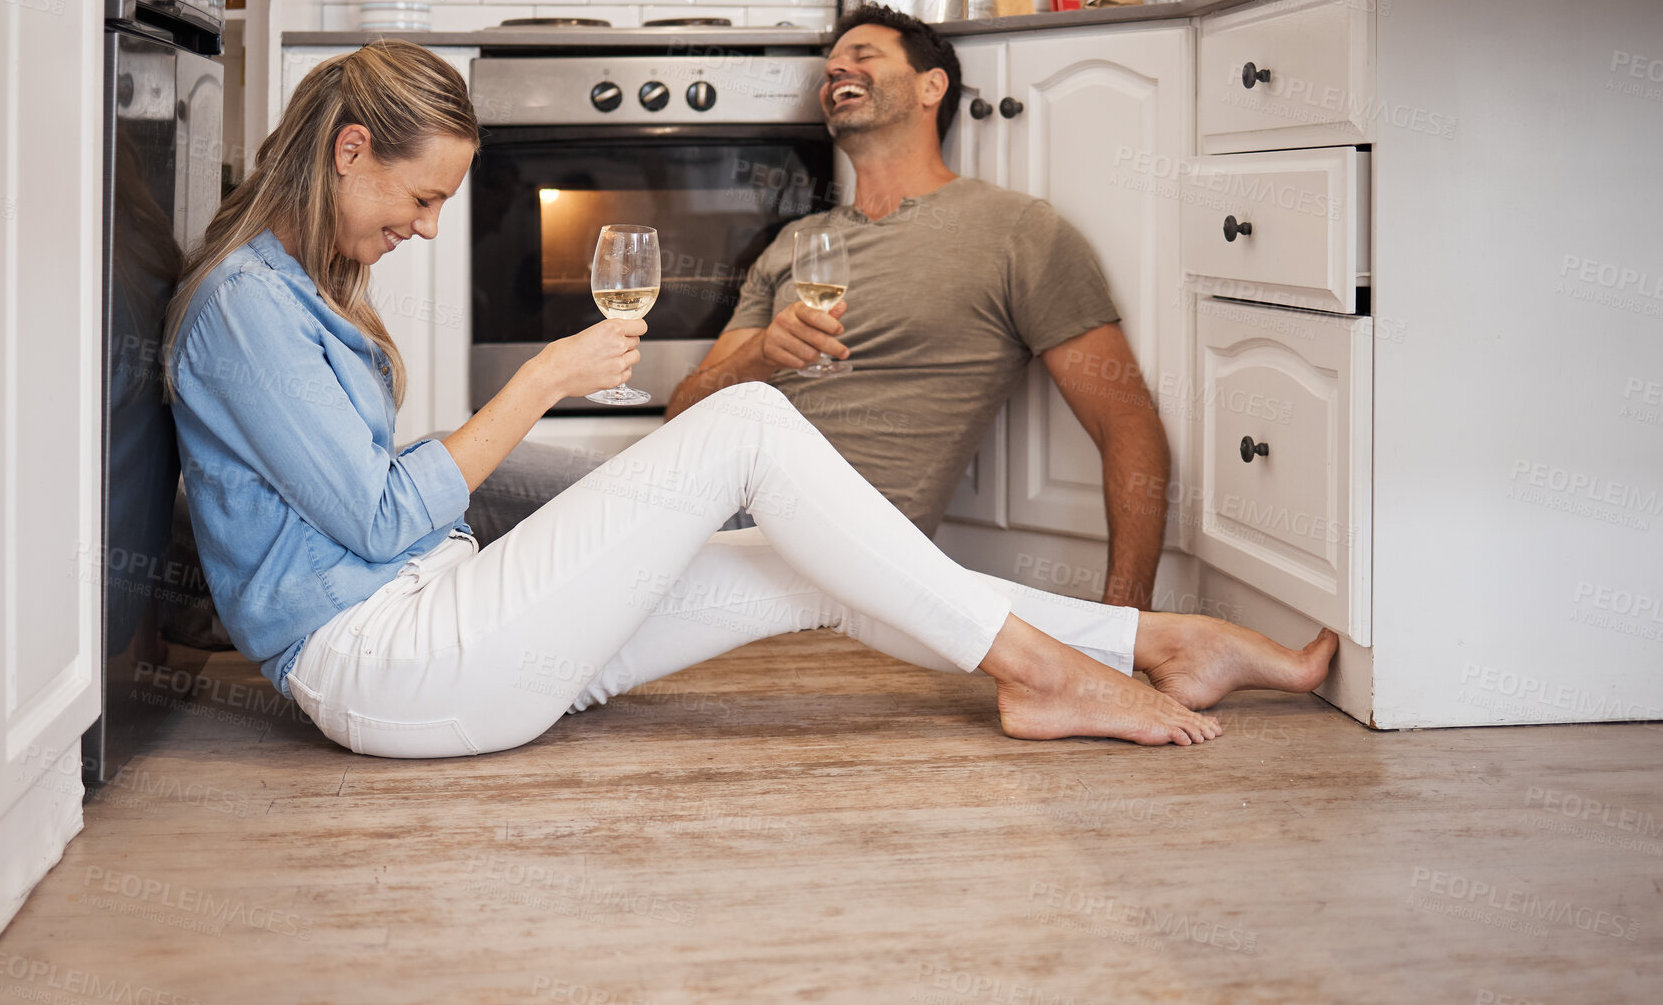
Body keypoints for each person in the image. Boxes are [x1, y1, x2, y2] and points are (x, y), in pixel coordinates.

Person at [161, 39, 1336, 760]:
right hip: (390, 665)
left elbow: (387, 510)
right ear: (351, 150)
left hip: (448, 620)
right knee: (754, 423)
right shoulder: (244, 307)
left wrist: (564, 470)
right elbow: (374, 521)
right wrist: (541, 381)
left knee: (806, 567)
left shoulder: (299, 293)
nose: (423, 231)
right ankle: (1040, 674)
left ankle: (1152, 642)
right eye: (418, 201)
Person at [468, 5, 1171, 611]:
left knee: (463, 477)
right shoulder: (794, 244)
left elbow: (1128, 423)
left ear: (933, 86)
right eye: (829, 67)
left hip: (826, 535)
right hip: (706, 494)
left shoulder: (1018, 230)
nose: (837, 72)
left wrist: (1126, 620)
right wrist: (761, 355)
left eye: (862, 56)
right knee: (450, 460)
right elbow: (683, 413)